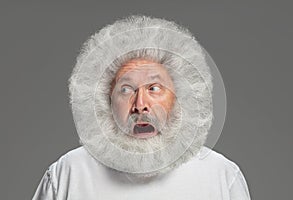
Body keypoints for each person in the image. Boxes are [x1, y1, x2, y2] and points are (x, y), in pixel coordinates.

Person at [32, 15, 251, 200]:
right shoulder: (68, 173)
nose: (140, 105)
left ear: (179, 98)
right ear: (106, 100)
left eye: (154, 88)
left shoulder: (221, 175)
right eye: (126, 90)